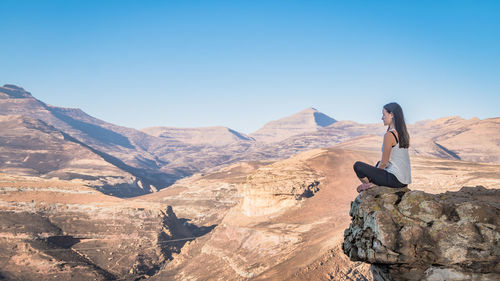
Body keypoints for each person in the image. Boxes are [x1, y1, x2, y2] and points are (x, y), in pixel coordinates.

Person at [353, 102, 411, 192]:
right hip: (403, 180)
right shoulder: (403, 134)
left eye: (384, 114)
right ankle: (371, 184)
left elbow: (384, 162)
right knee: (378, 163)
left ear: (391, 115)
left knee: (358, 166)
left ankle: (369, 186)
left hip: (395, 180)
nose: (382, 118)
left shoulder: (389, 135)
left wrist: (375, 176)